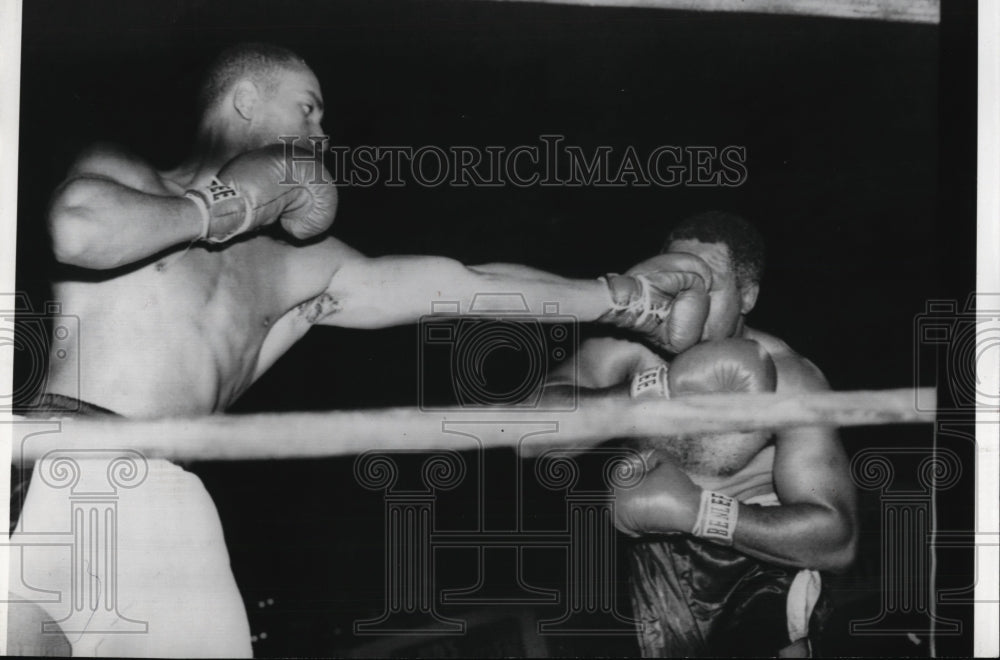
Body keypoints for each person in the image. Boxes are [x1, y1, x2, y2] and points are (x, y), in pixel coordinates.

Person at [10, 43, 717, 656]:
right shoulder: (128, 174)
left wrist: (623, 296)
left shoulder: (301, 267)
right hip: (49, 461)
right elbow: (79, 231)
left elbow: (466, 285)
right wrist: (228, 207)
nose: (323, 134)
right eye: (308, 109)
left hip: (163, 497)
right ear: (245, 100)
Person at [545, 211, 858, 657]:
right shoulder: (627, 352)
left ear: (747, 296)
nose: (685, 303)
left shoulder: (791, 380)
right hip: (649, 569)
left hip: (757, 565)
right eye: (676, 284)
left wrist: (701, 512)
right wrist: (651, 390)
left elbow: (837, 540)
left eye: (705, 288)